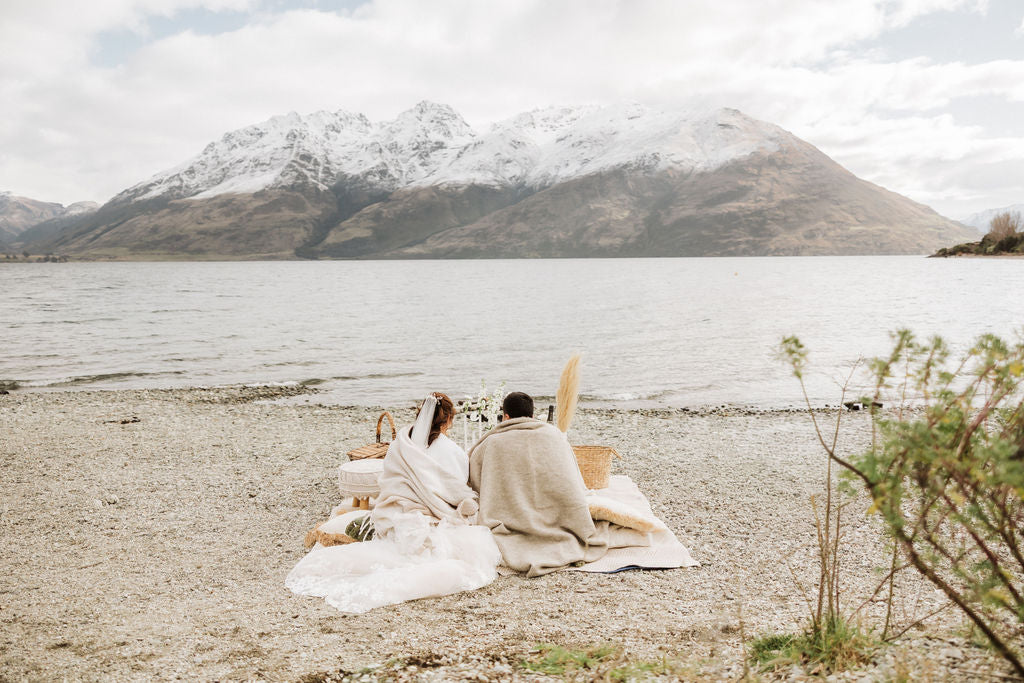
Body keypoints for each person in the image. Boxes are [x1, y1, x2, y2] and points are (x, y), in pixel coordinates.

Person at [286, 392, 501, 613]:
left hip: (397, 511)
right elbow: (457, 487)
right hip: (435, 512)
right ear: (447, 420)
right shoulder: (452, 450)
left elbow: (388, 477)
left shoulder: (402, 443)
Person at [468, 391, 609, 577]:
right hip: (561, 513)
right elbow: (572, 478)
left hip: (512, 516)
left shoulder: (492, 443)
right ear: (533, 415)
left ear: (506, 416)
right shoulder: (554, 435)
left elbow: (475, 480)